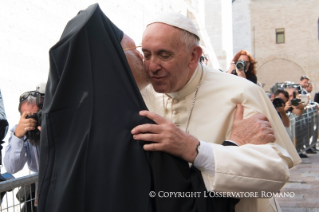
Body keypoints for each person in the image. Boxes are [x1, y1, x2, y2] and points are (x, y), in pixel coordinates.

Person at [132, 13, 301, 212]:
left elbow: (274, 173)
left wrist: (196, 150)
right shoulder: (142, 94)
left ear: (193, 56)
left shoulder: (241, 93)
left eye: (164, 55)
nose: (152, 67)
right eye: (147, 54)